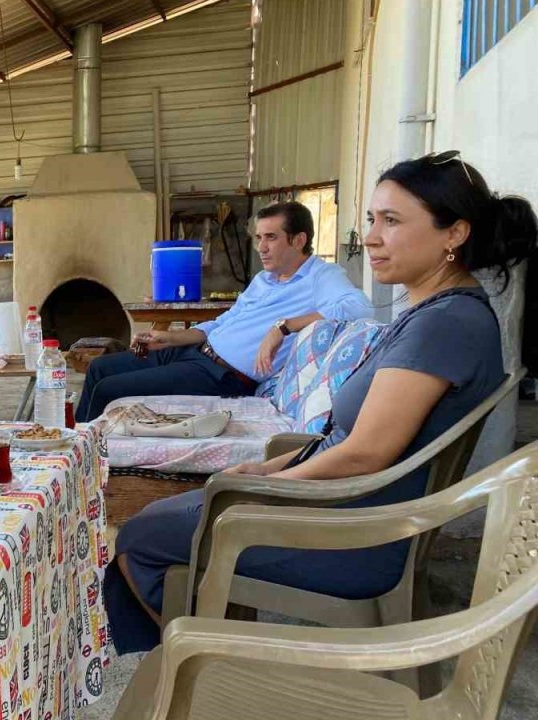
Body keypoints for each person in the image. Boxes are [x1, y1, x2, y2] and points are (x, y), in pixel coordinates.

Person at [105, 152, 537, 654]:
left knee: (140, 536)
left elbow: (365, 454)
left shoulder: (444, 325)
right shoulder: (438, 313)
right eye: (373, 219)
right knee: (171, 514)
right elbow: (347, 440)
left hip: (353, 537)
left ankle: (197, 662)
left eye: (392, 221)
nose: (371, 237)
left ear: (454, 235)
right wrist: (267, 473)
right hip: (343, 508)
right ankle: (197, 646)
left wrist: (265, 490)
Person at [75, 201, 374, 422]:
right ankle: (72, 444)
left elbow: (359, 308)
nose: (261, 247)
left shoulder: (320, 277)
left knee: (109, 389)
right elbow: (222, 322)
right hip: (196, 352)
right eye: (259, 238)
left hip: (221, 376)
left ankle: (86, 463)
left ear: (298, 240)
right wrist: (169, 338)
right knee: (101, 368)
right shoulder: (263, 280)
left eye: (271, 237)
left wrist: (282, 327)